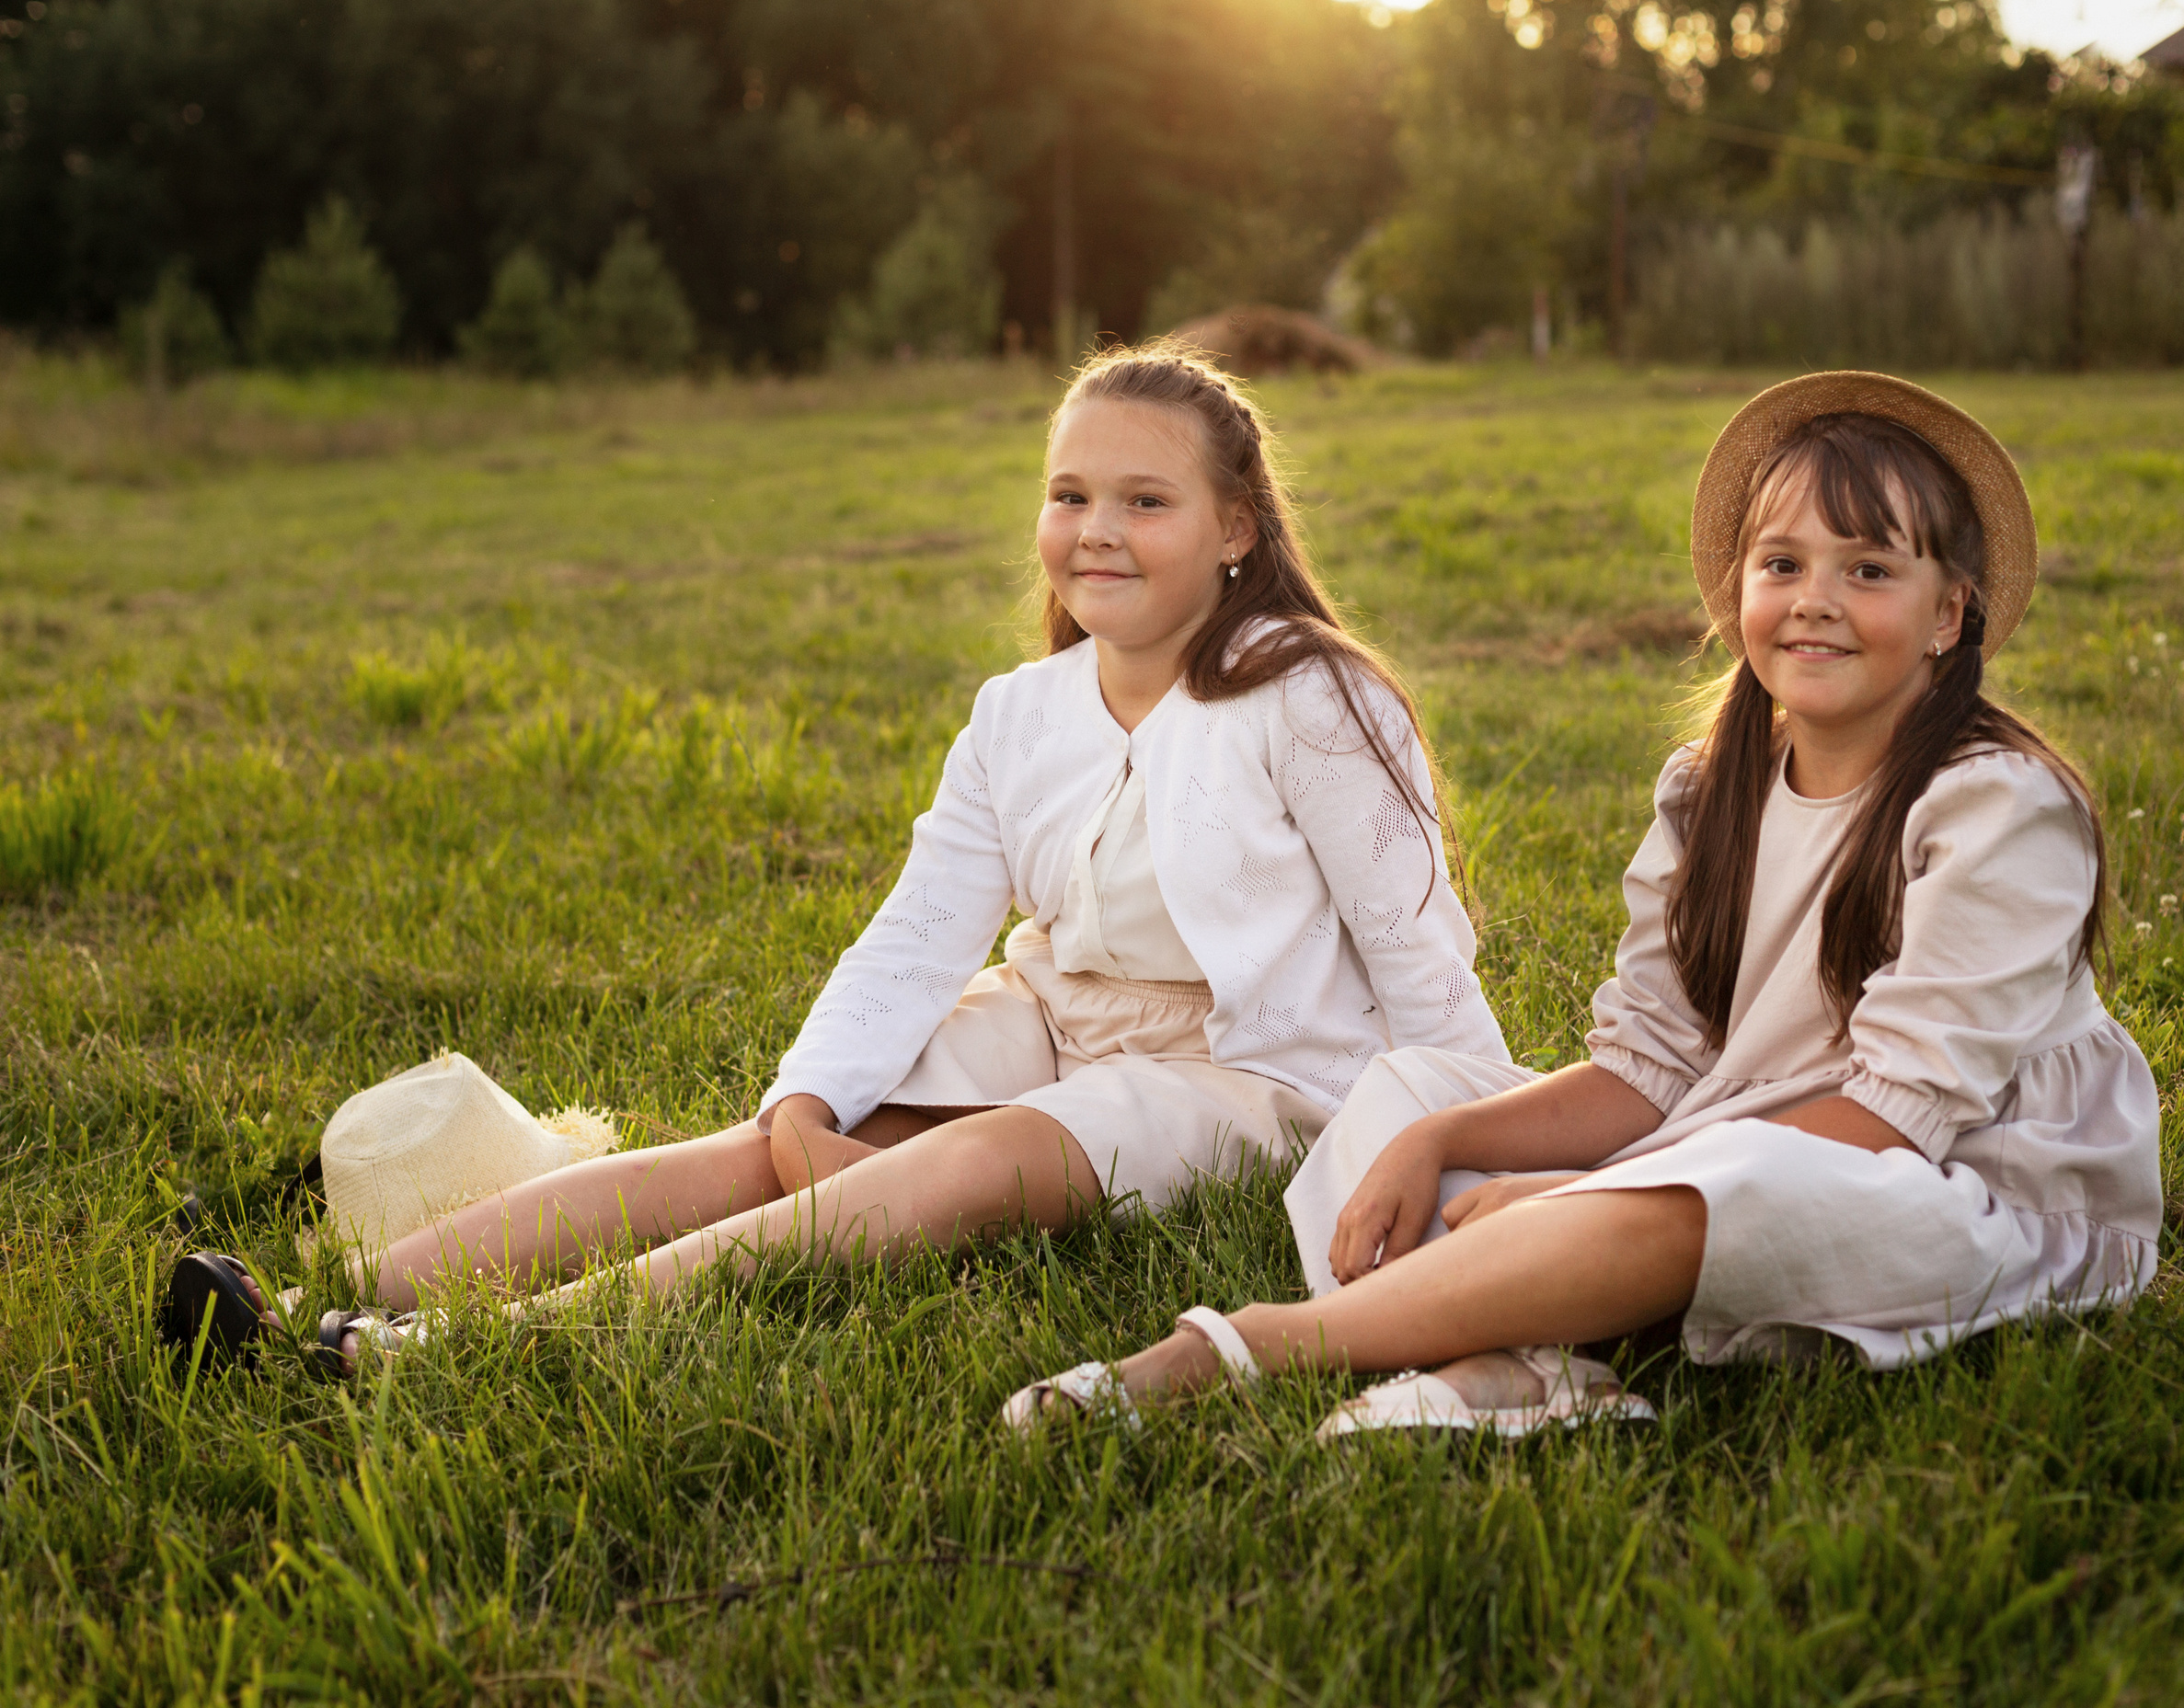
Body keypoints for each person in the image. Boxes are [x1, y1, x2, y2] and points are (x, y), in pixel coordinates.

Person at [186, 344, 1509, 1377]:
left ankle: (475, 1347)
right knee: (767, 1152)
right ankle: (312, 1295)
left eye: (1144, 501)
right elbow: (922, 929)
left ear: (1236, 531)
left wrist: (1474, 1147)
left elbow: (1420, 957)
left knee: (961, 1167)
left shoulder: (1312, 697)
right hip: (1061, 1016)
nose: (1095, 529)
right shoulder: (1021, 711)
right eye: (1070, 496)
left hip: (1255, 1069)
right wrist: (808, 1096)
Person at [1004, 372, 2161, 1439]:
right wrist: (1439, 1137)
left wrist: (1593, 1187)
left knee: (1733, 1182)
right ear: (1736, 590)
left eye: (1867, 570)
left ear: (1949, 613)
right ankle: (1526, 1364)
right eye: (1781, 565)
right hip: (1733, 1137)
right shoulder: (1713, 790)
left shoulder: (1995, 809)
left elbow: (1899, 1118)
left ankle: (1260, 1345)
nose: (1814, 603)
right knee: (1400, 1089)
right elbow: (1647, 1068)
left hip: (1965, 1190)